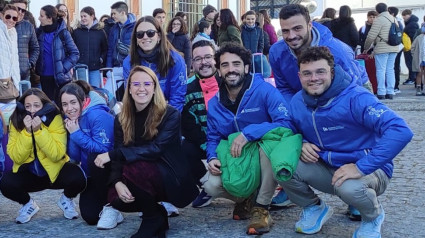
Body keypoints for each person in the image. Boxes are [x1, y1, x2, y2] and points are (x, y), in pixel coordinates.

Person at [278, 46, 413, 237]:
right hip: (328, 167)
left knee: (349, 187)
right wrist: (299, 143)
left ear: (332, 72)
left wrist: (360, 167)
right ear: (299, 76)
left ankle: (372, 216)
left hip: (367, 169)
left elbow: (401, 130)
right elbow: (287, 128)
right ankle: (314, 207)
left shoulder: (356, 97)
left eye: (320, 72)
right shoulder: (297, 101)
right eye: (307, 73)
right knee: (281, 164)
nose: (313, 78)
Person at [94, 65, 198, 238]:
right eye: (135, 84)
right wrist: (117, 181)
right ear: (129, 88)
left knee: (135, 166)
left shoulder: (170, 114)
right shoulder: (122, 118)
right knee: (116, 196)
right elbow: (120, 149)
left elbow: (155, 150)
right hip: (139, 174)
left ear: (155, 87)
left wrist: (112, 156)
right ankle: (156, 214)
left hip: (169, 175)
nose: (141, 89)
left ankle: (150, 219)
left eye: (147, 84)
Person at [203, 42, 293, 235]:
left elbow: (286, 123)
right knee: (211, 185)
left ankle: (261, 208)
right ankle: (246, 198)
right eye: (225, 65)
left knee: (269, 146)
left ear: (245, 67)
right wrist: (212, 157)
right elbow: (212, 137)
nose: (231, 69)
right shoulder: (215, 103)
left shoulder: (264, 90)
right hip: (238, 158)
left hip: (263, 155)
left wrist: (249, 133)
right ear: (218, 70)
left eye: (236, 64)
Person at [0, 88, 87, 224]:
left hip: (54, 171)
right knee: (6, 183)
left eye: (36, 105)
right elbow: (16, 157)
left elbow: (57, 154)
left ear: (44, 106)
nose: (32, 110)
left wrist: (39, 131)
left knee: (79, 177)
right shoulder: (16, 119)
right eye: (28, 106)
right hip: (28, 172)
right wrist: (27, 133)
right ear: (22, 106)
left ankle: (66, 199)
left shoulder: (55, 118)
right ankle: (28, 204)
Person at [269, 4, 369, 103]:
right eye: (285, 31)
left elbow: (354, 89)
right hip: (305, 96)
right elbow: (284, 89)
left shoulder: (337, 51)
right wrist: (296, 110)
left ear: (309, 25)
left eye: (297, 28)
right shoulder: (276, 52)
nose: (291, 36)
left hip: (351, 91)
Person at [58, 81, 118, 228]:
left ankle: (112, 206)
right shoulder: (73, 118)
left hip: (109, 170)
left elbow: (103, 149)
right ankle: (109, 206)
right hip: (91, 174)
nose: (69, 108)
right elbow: (76, 157)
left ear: (83, 100)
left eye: (73, 102)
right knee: (90, 217)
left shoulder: (97, 115)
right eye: (65, 104)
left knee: (95, 158)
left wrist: (77, 134)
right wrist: (73, 132)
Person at [182, 40, 221, 208]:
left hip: (232, 141)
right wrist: (209, 148)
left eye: (208, 57)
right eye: (198, 59)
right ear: (192, 63)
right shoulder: (187, 89)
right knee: (183, 149)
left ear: (216, 59)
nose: (204, 62)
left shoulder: (229, 81)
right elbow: (189, 126)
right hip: (204, 141)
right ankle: (208, 186)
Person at [123, 16, 187, 112]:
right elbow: (130, 95)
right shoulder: (129, 62)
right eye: (140, 34)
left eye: (150, 33)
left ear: (159, 36)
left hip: (167, 114)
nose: (145, 37)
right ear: (135, 39)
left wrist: (168, 121)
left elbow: (177, 97)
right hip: (139, 114)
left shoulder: (175, 60)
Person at [35, 5, 79, 101]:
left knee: (63, 106)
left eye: (41, 16)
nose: (39, 18)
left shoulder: (63, 33)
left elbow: (75, 53)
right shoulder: (38, 33)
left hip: (61, 78)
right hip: (44, 77)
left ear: (49, 18)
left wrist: (63, 68)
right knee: (49, 107)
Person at [364, 3, 400, 100]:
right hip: (394, 47)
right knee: (390, 69)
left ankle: (381, 92)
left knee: (381, 69)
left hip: (382, 48)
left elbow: (371, 35)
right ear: (386, 9)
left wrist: (366, 47)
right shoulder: (394, 18)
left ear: (377, 11)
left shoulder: (379, 20)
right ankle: (390, 91)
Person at [72, 6, 108, 87]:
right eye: (81, 16)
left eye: (85, 16)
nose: (82, 18)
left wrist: (101, 59)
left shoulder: (100, 32)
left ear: (92, 16)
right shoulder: (76, 32)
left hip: (95, 68)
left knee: (94, 90)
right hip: (80, 67)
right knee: (82, 90)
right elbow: (72, 49)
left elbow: (105, 49)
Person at [106, 1, 136, 95]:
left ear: (123, 12)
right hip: (116, 68)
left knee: (130, 95)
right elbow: (110, 50)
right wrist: (108, 68)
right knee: (108, 94)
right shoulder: (114, 28)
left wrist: (128, 50)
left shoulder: (135, 27)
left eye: (114, 13)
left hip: (131, 67)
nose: (112, 16)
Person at [10, 0, 40, 85]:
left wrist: (29, 64)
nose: (20, 12)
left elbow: (35, 48)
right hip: (5, 77)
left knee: (24, 98)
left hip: (24, 75)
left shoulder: (28, 26)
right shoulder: (3, 24)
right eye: (17, 9)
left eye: (23, 10)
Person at [0, 4, 20, 95]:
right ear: (1, 15)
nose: (11, 20)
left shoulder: (13, 33)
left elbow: (14, 60)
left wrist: (16, 83)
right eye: (8, 16)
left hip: (10, 82)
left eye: (14, 18)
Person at [388, 7, 404, 94]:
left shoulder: (395, 22)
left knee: (394, 67)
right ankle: (395, 86)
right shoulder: (399, 22)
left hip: (395, 47)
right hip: (397, 47)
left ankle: (395, 86)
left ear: (392, 13)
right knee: (394, 66)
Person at [412, 24, 425, 95]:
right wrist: (414, 55)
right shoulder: (419, 37)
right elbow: (412, 47)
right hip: (420, 58)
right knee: (419, 73)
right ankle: (418, 88)